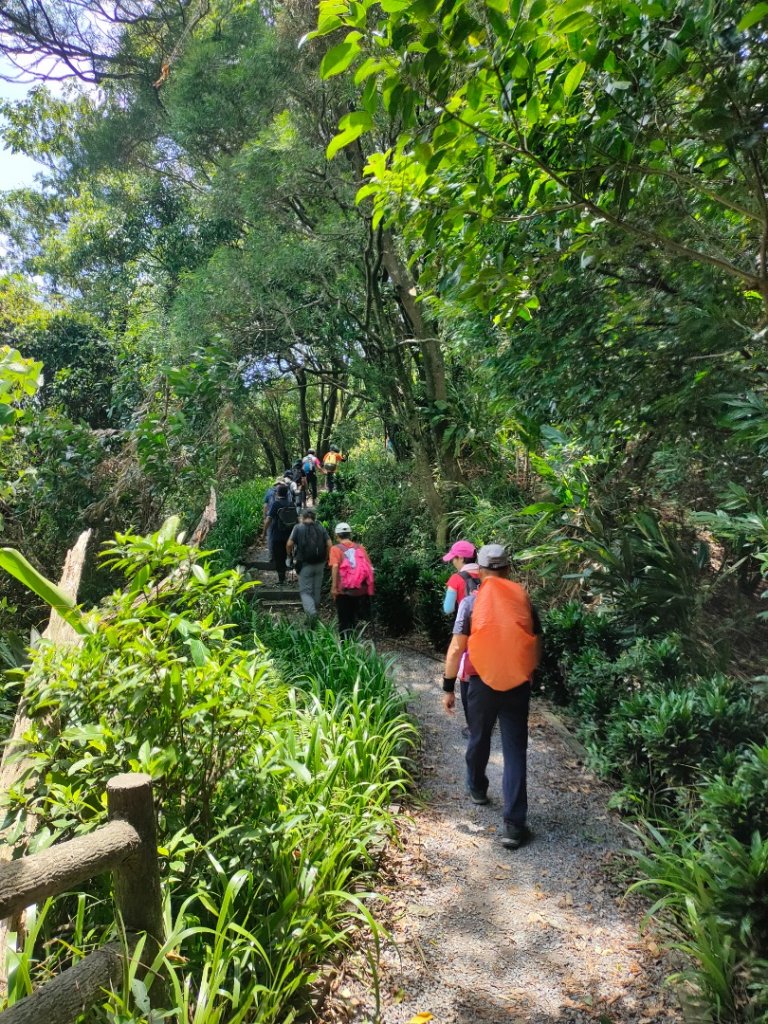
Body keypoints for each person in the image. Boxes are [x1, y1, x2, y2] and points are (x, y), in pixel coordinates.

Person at [442, 544, 542, 850]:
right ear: (508, 569)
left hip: (481, 682)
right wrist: (529, 673)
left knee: (479, 737)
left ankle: (477, 786)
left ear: (481, 571)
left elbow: (457, 647)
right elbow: (536, 642)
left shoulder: (471, 603)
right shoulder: (524, 599)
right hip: (517, 684)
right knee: (514, 751)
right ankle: (514, 825)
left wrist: (447, 687)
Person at [441, 540, 480, 736]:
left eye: (454, 558)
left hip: (465, 633)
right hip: (488, 634)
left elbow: (447, 609)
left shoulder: (456, 579)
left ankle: (474, 725)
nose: (453, 562)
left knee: (467, 675)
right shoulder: (487, 575)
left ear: (461, 558)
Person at [329, 522, 375, 638]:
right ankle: (355, 641)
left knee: (344, 620)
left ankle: (346, 647)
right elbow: (369, 567)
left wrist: (334, 588)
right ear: (350, 534)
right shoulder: (360, 548)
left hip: (343, 590)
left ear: (337, 535)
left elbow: (335, 567)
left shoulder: (335, 549)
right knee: (353, 618)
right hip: (359, 589)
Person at [287, 508, 332, 620]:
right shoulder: (320, 527)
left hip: (305, 564)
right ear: (314, 518)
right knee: (316, 588)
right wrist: (326, 558)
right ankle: (314, 609)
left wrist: (290, 556)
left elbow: (289, 544)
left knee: (305, 591)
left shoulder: (298, 528)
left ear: (302, 518)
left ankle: (312, 615)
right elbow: (330, 544)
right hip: (320, 563)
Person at [265, 484, 297, 584]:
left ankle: (281, 579)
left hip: (277, 535)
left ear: (278, 493)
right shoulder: (291, 503)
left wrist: (264, 532)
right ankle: (289, 571)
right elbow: (295, 519)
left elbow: (268, 519)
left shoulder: (276, 504)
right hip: (289, 535)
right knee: (288, 554)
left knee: (279, 557)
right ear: (287, 493)